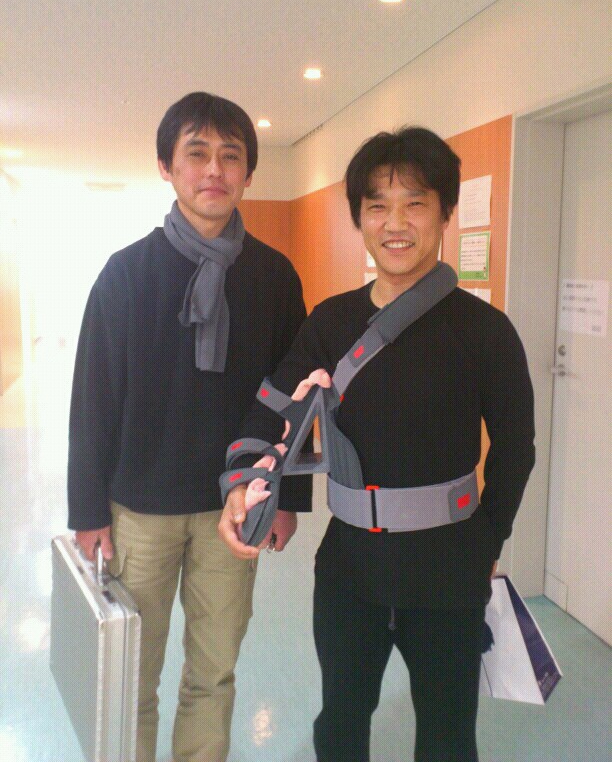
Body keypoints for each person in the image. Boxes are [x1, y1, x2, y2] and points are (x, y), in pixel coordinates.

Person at [219, 127, 535, 762]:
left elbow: (516, 448)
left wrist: (486, 542)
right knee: (341, 721)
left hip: (449, 570)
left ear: (445, 212)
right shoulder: (331, 321)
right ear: (359, 218)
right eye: (377, 206)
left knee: (448, 736)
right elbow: (271, 408)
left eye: (415, 203)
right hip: (349, 569)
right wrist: (241, 483)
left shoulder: (486, 330)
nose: (395, 223)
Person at [67, 92, 310, 762]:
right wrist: (88, 511)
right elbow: (92, 400)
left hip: (236, 509)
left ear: (248, 173)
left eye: (230, 156)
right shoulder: (126, 274)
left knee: (214, 672)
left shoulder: (274, 276)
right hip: (138, 510)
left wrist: (287, 497)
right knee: (132, 676)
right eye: (196, 153)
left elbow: (296, 398)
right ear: (167, 168)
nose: (214, 170)